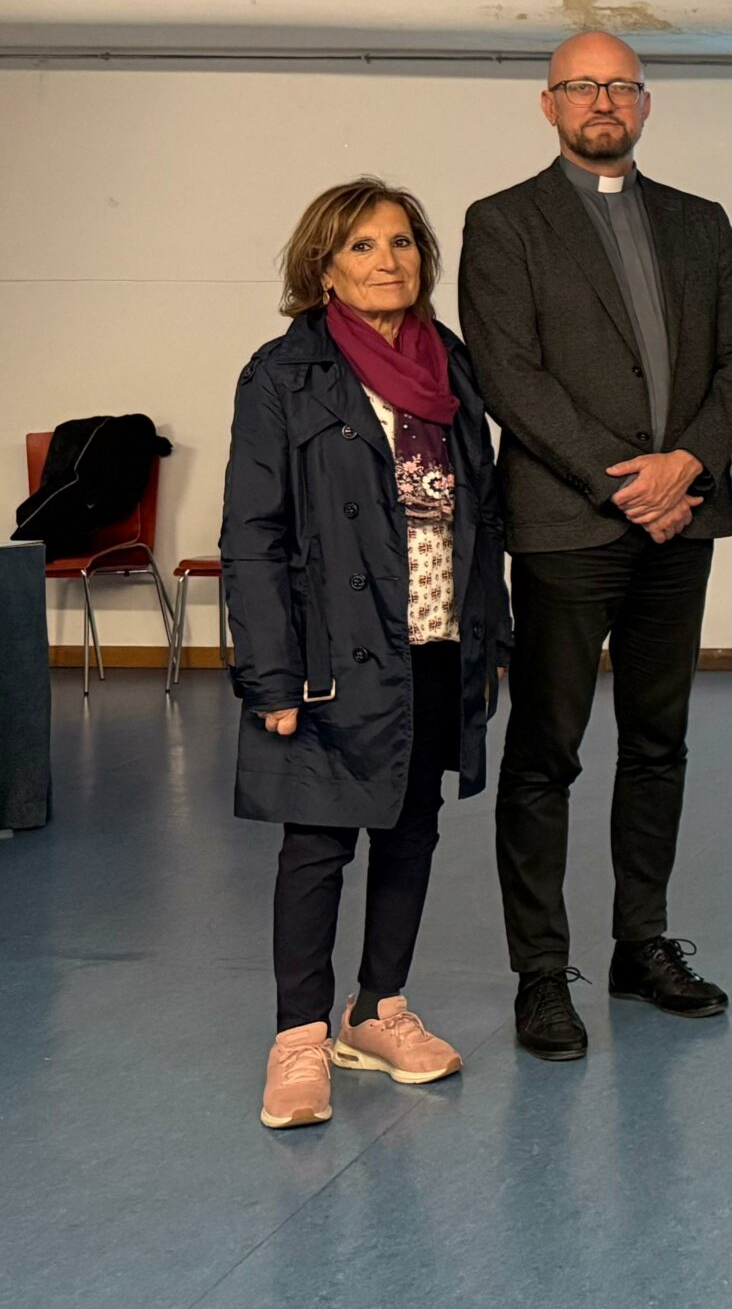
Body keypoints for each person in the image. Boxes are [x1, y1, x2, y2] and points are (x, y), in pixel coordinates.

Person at [459, 30, 732, 1059]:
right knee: (545, 753)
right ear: (547, 105)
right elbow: (510, 376)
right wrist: (625, 480)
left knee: (659, 741)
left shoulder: (699, 224)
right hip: (566, 523)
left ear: (646, 104)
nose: (604, 101)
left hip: (682, 519)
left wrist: (687, 464)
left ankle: (643, 946)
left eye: (621, 86)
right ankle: (543, 973)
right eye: (582, 86)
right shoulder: (502, 225)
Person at [224, 180, 510, 1129]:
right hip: (330, 652)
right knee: (317, 843)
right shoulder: (282, 373)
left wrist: (490, 637)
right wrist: (268, 674)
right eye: (361, 247)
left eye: (401, 244)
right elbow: (253, 534)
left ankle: (377, 1009)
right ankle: (299, 1034)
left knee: (411, 826)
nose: (386, 262)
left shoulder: (452, 366)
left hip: (436, 639)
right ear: (323, 267)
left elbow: (485, 514)